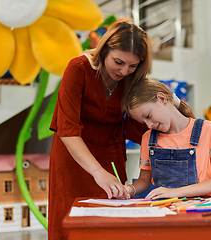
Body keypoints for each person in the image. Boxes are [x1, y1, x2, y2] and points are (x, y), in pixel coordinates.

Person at [48, 20, 152, 239]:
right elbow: (67, 130)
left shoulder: (132, 79)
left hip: (110, 156)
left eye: (132, 66)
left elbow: (138, 129)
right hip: (73, 155)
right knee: (70, 219)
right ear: (105, 49)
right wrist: (97, 173)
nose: (124, 71)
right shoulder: (78, 69)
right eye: (118, 62)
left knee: (111, 221)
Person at [122, 78, 211, 199]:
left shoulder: (208, 129)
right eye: (143, 122)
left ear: (162, 99)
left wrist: (177, 192)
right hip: (164, 209)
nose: (149, 125)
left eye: (148, 116)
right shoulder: (148, 138)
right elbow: (143, 180)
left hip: (199, 210)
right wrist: (130, 189)